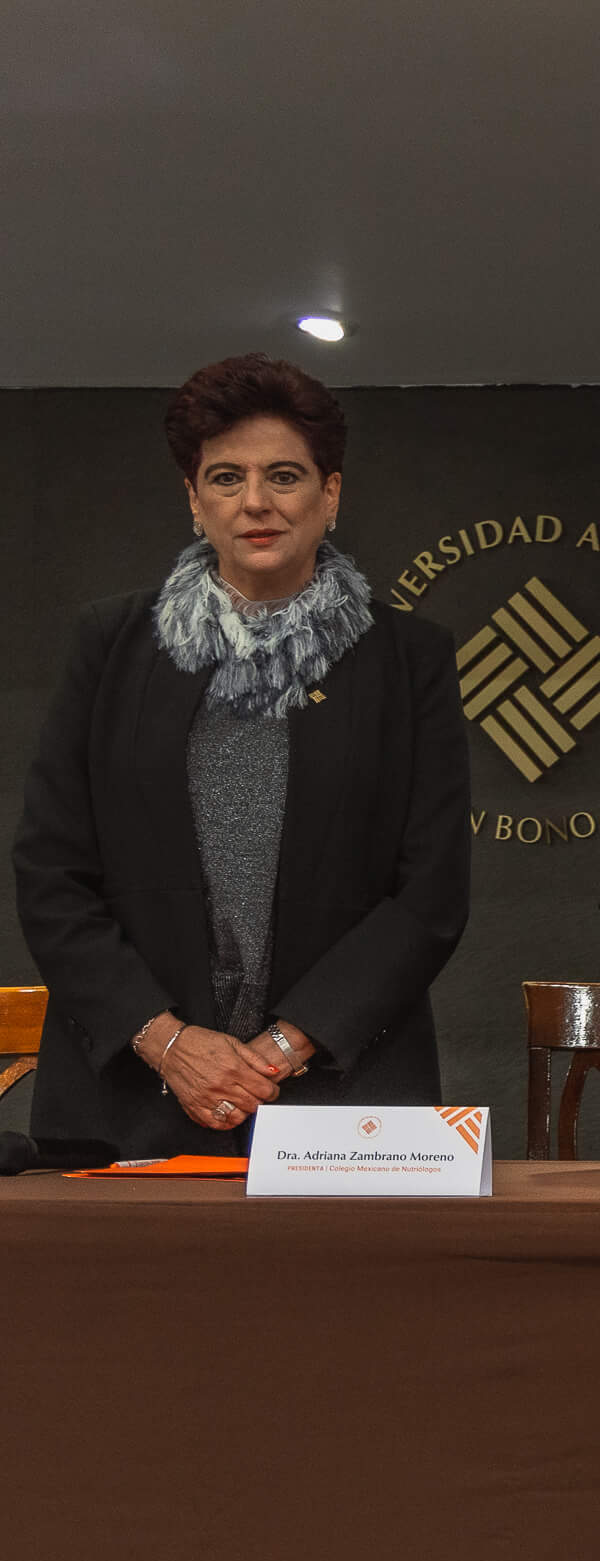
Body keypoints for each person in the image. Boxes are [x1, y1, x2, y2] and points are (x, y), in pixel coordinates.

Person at [12, 353, 470, 1161]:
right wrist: (166, 1041)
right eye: (225, 478)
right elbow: (52, 873)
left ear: (331, 495)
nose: (255, 501)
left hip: (343, 1096)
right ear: (194, 501)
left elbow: (431, 892)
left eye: (284, 476)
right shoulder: (111, 646)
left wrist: (287, 1046)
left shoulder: (409, 660)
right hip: (129, 1096)